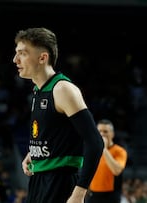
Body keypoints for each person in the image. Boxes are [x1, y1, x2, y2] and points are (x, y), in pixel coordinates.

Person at [12, 27, 104, 203]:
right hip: (39, 180)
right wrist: (34, 154)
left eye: (22, 54)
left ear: (42, 57)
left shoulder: (63, 89)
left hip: (61, 183)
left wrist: (79, 193)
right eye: (16, 53)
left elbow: (95, 142)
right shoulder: (38, 90)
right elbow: (55, 133)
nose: (15, 59)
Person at [86, 119, 128, 203]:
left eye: (105, 131)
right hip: (93, 195)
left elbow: (116, 171)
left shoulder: (120, 151)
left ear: (112, 134)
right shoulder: (92, 150)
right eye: (99, 131)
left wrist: (104, 149)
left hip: (111, 196)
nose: (102, 134)